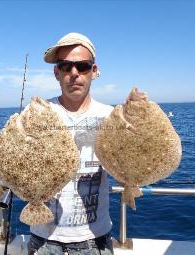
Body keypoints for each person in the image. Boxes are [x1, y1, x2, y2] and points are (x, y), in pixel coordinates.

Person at [27, 32, 146, 255]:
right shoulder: (37, 113)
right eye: (65, 66)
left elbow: (124, 173)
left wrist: (135, 122)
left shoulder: (110, 116)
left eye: (82, 66)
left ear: (94, 71)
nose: (74, 74)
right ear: (56, 72)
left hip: (95, 240)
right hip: (43, 239)